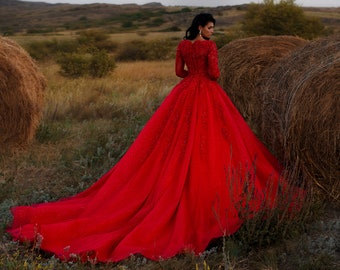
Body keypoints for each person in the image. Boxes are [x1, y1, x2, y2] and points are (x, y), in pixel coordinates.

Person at [7, 13, 303, 263]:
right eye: (211, 27)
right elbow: (214, 74)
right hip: (207, 94)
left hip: (185, 93)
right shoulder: (210, 48)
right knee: (219, 140)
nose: (213, 31)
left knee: (171, 140)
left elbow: (179, 73)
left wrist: (191, 73)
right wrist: (207, 69)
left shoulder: (182, 45)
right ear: (201, 27)